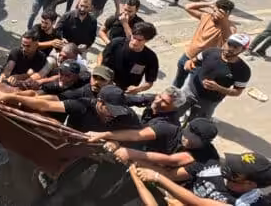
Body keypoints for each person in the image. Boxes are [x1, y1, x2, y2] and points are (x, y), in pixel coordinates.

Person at [135, 152, 271, 206]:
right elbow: (171, 174)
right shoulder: (211, 169)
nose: (227, 170)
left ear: (250, 183)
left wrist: (157, 177)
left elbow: (198, 202)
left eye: (235, 172)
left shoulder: (247, 203)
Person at [0, 84, 140, 132]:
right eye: (109, 109)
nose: (113, 115)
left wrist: (114, 141)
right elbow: (47, 104)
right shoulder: (82, 104)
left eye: (117, 111)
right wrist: (13, 97)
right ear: (99, 102)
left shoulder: (127, 115)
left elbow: (137, 133)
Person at [87, 86, 187, 154]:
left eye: (164, 101)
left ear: (174, 108)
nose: (158, 101)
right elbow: (131, 99)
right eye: (160, 96)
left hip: (150, 151)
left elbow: (137, 135)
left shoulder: (167, 123)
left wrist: (108, 137)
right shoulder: (156, 100)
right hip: (139, 134)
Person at [177, 34, 251, 120]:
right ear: (225, 42)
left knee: (197, 124)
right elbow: (194, 60)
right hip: (189, 91)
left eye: (235, 47)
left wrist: (218, 88)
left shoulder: (243, 70)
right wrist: (189, 63)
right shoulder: (211, 52)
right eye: (229, 44)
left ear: (243, 49)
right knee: (174, 113)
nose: (230, 48)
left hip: (209, 101)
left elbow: (237, 92)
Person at [173, 0, 236, 88]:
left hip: (202, 63)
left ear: (227, 14)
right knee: (178, 81)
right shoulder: (206, 16)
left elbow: (228, 39)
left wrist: (223, 20)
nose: (215, 14)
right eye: (214, 11)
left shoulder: (230, 27)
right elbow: (188, 7)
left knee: (193, 87)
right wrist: (208, 3)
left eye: (219, 13)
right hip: (187, 56)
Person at [99, 22, 159, 94]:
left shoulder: (150, 57)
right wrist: (99, 73)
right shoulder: (116, 43)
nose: (134, 42)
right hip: (104, 84)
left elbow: (149, 82)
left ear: (147, 40)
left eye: (139, 40)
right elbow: (102, 55)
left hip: (125, 92)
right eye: (134, 37)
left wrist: (138, 89)